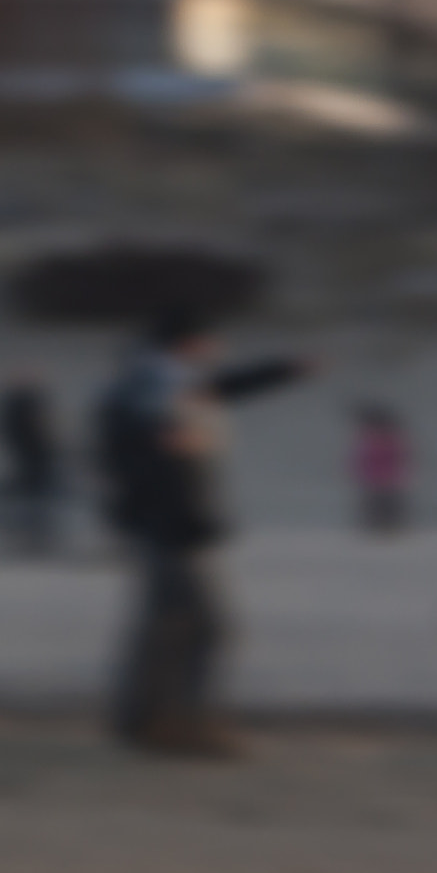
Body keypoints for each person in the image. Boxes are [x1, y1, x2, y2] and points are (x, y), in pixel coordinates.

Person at [94, 312, 313, 757]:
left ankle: (143, 719)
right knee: (204, 626)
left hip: (164, 524)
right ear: (188, 342)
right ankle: (181, 722)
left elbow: (226, 388)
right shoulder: (156, 385)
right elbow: (146, 449)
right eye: (209, 340)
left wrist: (284, 371)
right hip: (173, 526)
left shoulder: (155, 380)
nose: (216, 349)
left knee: (164, 626)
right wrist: (168, 447)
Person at [0, 371, 65, 556]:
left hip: (31, 457)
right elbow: (40, 429)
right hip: (35, 458)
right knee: (39, 497)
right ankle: (36, 536)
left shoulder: (14, 405)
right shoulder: (24, 404)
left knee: (36, 496)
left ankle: (33, 535)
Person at [351, 402, 412, 536]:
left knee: (384, 506)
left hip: (385, 479)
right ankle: (381, 528)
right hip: (380, 479)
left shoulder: (383, 440)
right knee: (379, 506)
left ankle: (386, 528)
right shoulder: (378, 439)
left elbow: (399, 458)